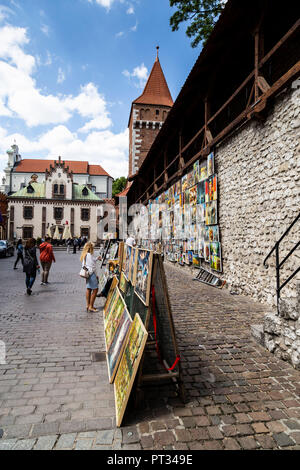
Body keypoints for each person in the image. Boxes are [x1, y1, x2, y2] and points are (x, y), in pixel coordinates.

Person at [80, 242, 101, 312]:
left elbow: (84, 265)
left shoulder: (85, 255)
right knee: (95, 290)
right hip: (91, 274)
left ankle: (87, 305)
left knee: (88, 289)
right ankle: (91, 306)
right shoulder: (89, 255)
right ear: (91, 248)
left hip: (88, 274)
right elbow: (93, 266)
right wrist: (96, 275)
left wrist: (97, 258)